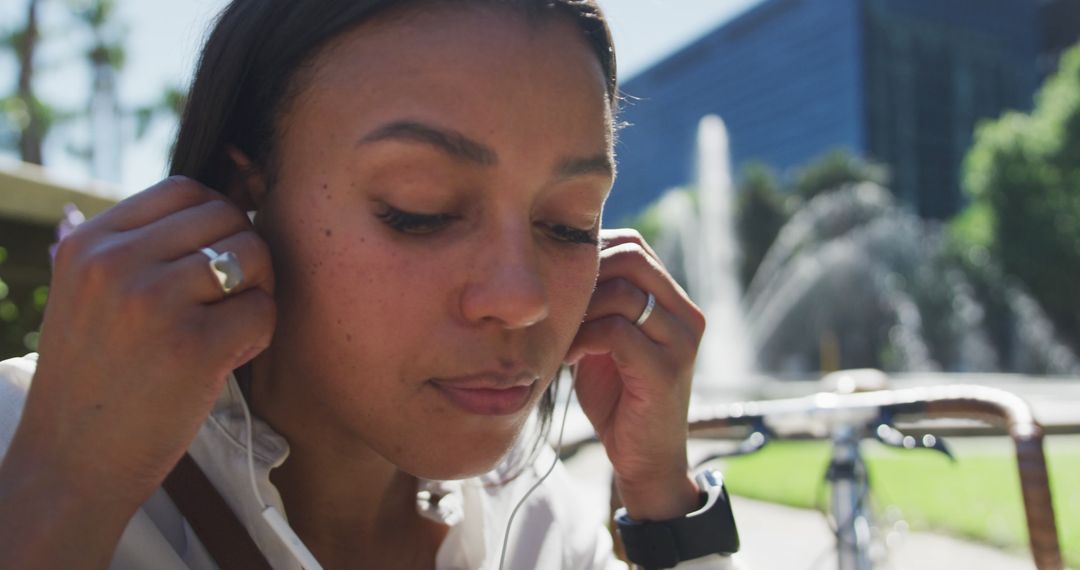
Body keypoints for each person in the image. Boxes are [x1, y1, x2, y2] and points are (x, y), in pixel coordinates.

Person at [0, 1, 740, 568]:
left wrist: (664, 503)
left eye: (569, 223)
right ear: (242, 193)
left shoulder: (536, 517)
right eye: (421, 210)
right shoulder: (24, 438)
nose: (523, 299)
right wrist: (65, 491)